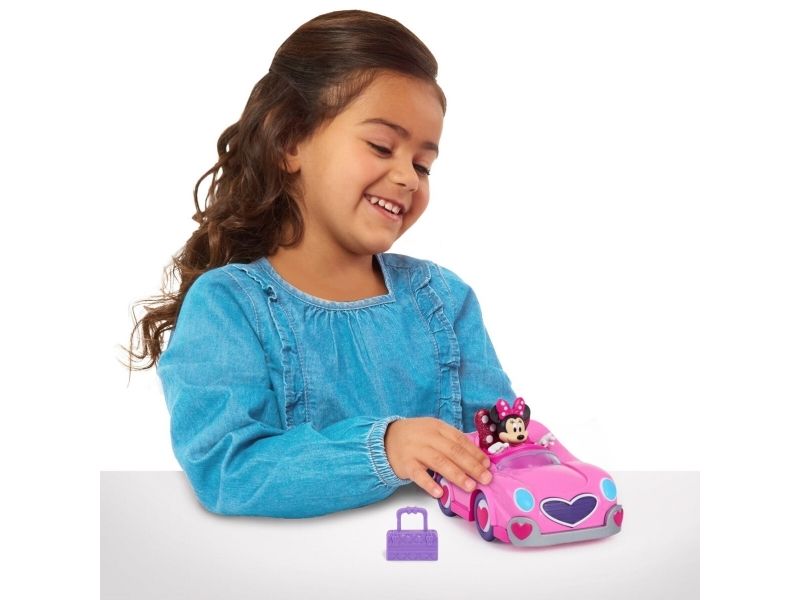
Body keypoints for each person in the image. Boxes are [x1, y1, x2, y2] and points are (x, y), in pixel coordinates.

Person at [126, 9, 515, 518]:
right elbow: (228, 469)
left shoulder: (444, 299)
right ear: (289, 141)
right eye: (381, 146)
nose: (407, 177)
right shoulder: (228, 305)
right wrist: (385, 449)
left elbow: (503, 439)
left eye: (423, 165)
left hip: (435, 559)